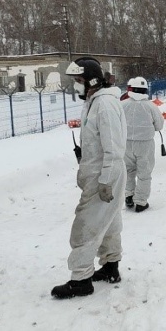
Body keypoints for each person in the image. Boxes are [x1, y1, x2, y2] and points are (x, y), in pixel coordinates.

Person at [52, 57, 127, 299]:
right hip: (101, 172)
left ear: (92, 81)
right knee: (109, 223)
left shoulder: (104, 105)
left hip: (104, 175)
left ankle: (81, 279)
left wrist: (105, 180)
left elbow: (114, 148)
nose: (76, 85)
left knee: (84, 227)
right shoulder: (94, 102)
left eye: (78, 81)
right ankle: (110, 266)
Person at [121, 77, 164, 213]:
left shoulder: (122, 105)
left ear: (130, 89)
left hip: (126, 143)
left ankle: (129, 196)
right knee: (144, 174)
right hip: (145, 144)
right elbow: (159, 125)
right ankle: (140, 202)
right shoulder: (151, 106)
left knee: (128, 171)